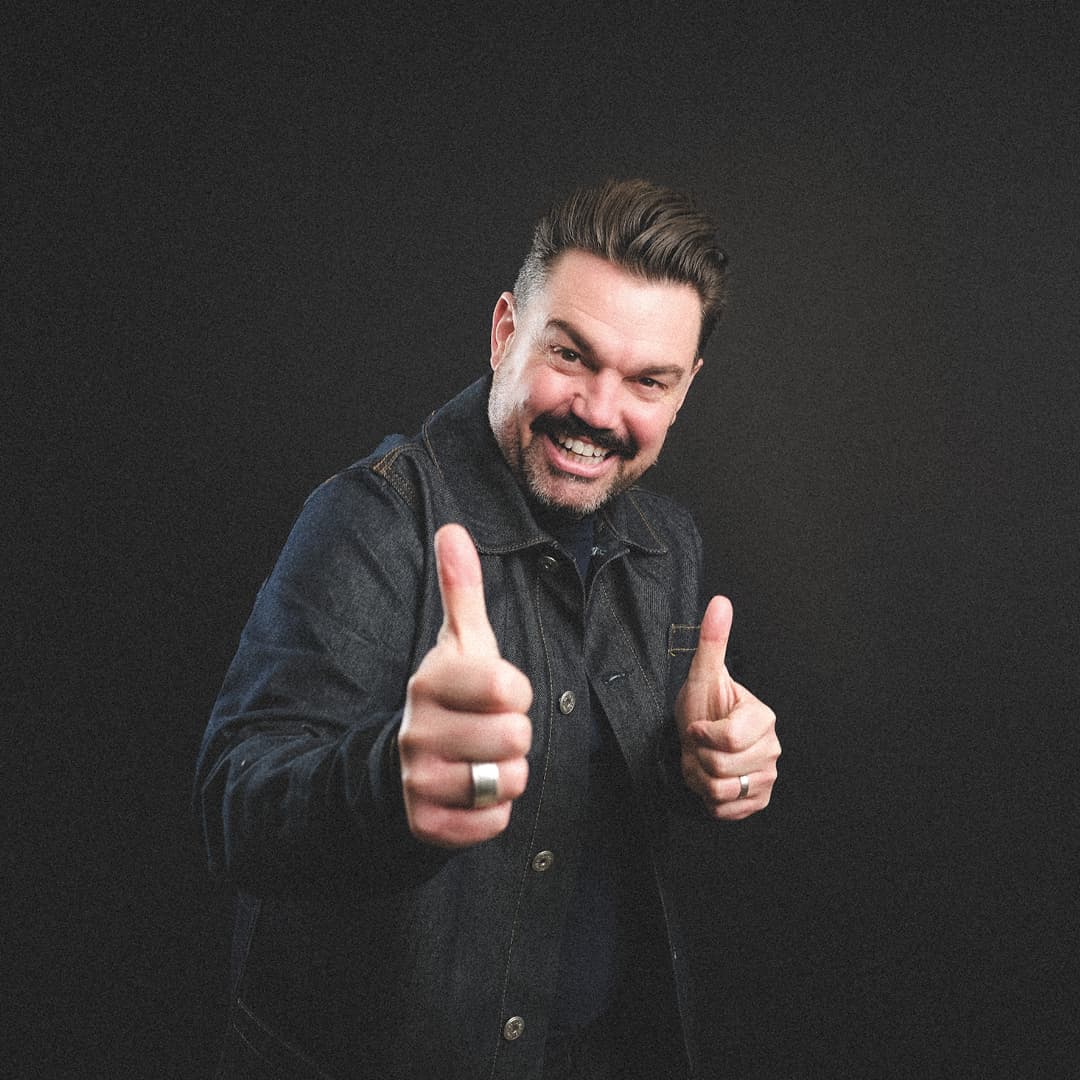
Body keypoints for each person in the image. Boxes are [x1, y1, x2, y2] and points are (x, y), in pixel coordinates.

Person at [194, 178, 780, 1080]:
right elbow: (235, 806)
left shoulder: (668, 546)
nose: (599, 410)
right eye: (571, 355)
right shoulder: (373, 521)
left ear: (685, 389)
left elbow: (601, 791)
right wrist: (389, 783)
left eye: (647, 381)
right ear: (506, 331)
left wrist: (701, 764)